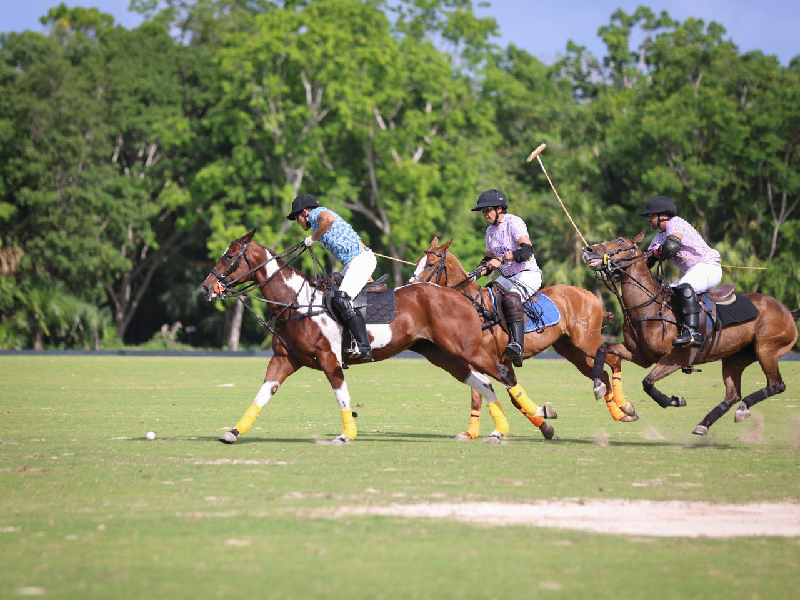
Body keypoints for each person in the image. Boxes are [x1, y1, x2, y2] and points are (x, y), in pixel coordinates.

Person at [287, 193, 377, 361]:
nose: (298, 223)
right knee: (329, 292)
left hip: (360, 261)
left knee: (342, 299)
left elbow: (328, 219)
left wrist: (312, 239)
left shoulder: (316, 214)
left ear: (304, 212)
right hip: (356, 263)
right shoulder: (315, 222)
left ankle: (364, 347)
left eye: (296, 217)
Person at [471, 189, 542, 366]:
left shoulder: (514, 222)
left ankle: (517, 346)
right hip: (507, 277)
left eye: (488, 210)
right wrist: (477, 272)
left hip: (527, 274)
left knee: (511, 299)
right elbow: (488, 259)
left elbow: (526, 251)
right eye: (483, 211)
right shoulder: (489, 231)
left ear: (499, 208)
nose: (485, 214)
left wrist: (501, 259)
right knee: (483, 297)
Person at [642, 195, 722, 347]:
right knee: (668, 294)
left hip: (709, 267)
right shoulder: (659, 237)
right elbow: (644, 262)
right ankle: (678, 332)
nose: (648, 219)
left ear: (663, 215)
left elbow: (671, 247)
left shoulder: (676, 223)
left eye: (651, 215)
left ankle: (693, 333)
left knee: (684, 286)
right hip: (695, 272)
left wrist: (657, 251)